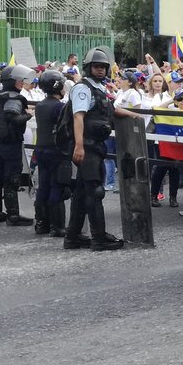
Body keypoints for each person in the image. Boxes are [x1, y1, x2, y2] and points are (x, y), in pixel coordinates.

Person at [64, 47, 127, 251]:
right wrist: (80, 145)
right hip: (87, 147)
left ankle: (73, 236)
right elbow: (78, 116)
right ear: (88, 68)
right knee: (95, 192)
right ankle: (99, 237)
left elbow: (110, 110)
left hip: (94, 147)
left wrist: (134, 116)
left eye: (103, 67)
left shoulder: (98, 89)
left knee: (82, 193)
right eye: (96, 66)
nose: (100, 70)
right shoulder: (83, 88)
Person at [0, 65, 35, 225]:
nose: (21, 82)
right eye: (19, 80)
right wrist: (28, 115)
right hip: (11, 143)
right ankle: (13, 215)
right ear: (11, 81)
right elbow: (13, 118)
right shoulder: (15, 98)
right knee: (12, 178)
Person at [32, 71, 68, 237]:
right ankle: (57, 225)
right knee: (57, 185)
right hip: (55, 150)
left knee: (43, 186)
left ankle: (41, 223)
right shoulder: (59, 106)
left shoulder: (40, 106)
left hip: (41, 148)